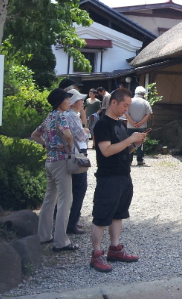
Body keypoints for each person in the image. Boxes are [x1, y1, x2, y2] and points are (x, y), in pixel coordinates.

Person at [90, 88, 147, 272]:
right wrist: (129, 139)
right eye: (124, 105)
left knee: (119, 213)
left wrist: (134, 144)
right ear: (113, 102)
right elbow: (106, 151)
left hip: (124, 174)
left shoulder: (121, 124)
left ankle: (114, 249)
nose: (126, 109)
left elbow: (123, 149)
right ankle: (96, 254)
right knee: (101, 216)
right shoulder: (102, 124)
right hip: (108, 177)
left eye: (128, 106)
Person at [31, 89, 79, 252]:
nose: (69, 102)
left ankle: (44, 235)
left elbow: (34, 135)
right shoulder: (61, 116)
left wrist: (47, 144)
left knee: (49, 199)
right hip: (61, 161)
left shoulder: (49, 117)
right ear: (60, 102)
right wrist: (70, 147)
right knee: (65, 200)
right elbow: (68, 134)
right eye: (67, 99)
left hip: (50, 161)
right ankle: (61, 241)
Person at [66, 89, 90, 235]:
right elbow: (81, 136)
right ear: (74, 102)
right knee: (79, 189)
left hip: (70, 155)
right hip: (77, 156)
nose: (82, 102)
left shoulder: (67, 115)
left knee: (70, 190)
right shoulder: (72, 116)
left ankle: (69, 220)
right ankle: (72, 222)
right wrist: (87, 132)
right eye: (80, 100)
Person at [125, 86, 153, 166]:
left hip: (130, 126)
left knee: (130, 142)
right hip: (142, 126)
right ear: (143, 94)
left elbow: (126, 113)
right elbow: (149, 114)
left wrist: (132, 122)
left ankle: (129, 160)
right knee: (141, 143)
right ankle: (140, 160)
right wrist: (140, 123)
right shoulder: (145, 102)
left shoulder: (130, 101)